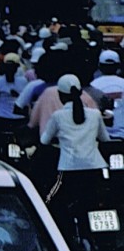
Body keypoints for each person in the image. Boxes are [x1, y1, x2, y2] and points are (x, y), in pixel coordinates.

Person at [40, 74, 110, 231]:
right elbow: (105, 139)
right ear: (80, 92)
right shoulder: (95, 115)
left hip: (68, 170)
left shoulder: (58, 116)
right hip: (95, 169)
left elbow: (44, 141)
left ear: (60, 95)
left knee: (49, 201)